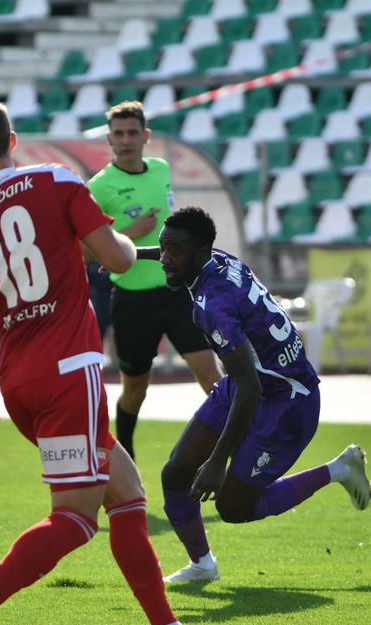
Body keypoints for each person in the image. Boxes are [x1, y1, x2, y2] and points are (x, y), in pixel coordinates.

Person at [0, 97, 233, 625]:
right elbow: (117, 259)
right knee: (73, 518)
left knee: (129, 496)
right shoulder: (56, 181)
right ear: (13, 139)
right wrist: (93, 241)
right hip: (72, 369)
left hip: (19, 380)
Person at [148, 207, 371, 582]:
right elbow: (246, 380)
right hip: (253, 382)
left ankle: (338, 470)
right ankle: (203, 566)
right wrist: (120, 254)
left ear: (201, 251)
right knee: (176, 471)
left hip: (285, 401)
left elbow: (250, 388)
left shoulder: (212, 306)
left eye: (175, 252)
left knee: (233, 507)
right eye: (162, 249)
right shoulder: (219, 259)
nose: (165, 260)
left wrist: (218, 460)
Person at [87, 101, 222, 461]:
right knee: (135, 392)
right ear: (109, 139)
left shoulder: (160, 169)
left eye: (133, 133)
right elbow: (82, 251)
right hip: (132, 301)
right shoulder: (99, 187)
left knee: (214, 379)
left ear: (146, 136)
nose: (126, 140)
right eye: (119, 134)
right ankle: (125, 463)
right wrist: (128, 232)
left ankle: (231, 455)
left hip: (178, 294)